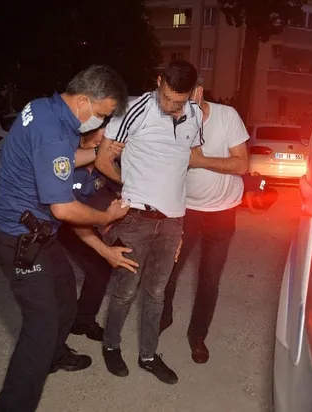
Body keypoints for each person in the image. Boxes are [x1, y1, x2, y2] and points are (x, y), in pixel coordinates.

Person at [0, 65, 129, 412]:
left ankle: (54, 355)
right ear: (83, 101)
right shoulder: (53, 131)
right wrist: (107, 217)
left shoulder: (45, 109)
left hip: (39, 234)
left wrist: (98, 152)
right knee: (40, 327)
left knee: (65, 294)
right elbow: (64, 209)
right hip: (20, 239)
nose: (99, 123)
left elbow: (60, 160)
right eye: (101, 114)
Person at [94, 60, 202, 385]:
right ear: (158, 81)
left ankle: (148, 356)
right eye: (166, 97)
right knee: (126, 290)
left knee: (157, 292)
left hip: (172, 223)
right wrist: (130, 186)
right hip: (136, 218)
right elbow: (102, 161)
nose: (170, 105)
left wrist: (179, 221)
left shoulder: (195, 116)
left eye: (178, 101)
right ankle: (111, 346)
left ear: (191, 94)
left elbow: (183, 164)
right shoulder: (132, 109)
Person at [160, 78, 250, 364]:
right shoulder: (172, 119)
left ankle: (198, 335)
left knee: (209, 278)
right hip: (184, 210)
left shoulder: (227, 116)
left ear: (198, 92)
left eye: (183, 100)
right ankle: (163, 317)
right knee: (168, 270)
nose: (177, 108)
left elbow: (242, 164)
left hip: (222, 211)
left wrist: (201, 161)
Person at [58, 121, 139, 343]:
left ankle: (82, 321)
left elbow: (125, 190)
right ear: (83, 139)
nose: (106, 146)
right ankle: (57, 336)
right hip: (53, 222)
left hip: (80, 219)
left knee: (99, 270)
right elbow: (69, 215)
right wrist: (103, 236)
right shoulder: (66, 163)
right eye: (99, 142)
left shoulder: (105, 164)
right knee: (59, 280)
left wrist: (118, 208)